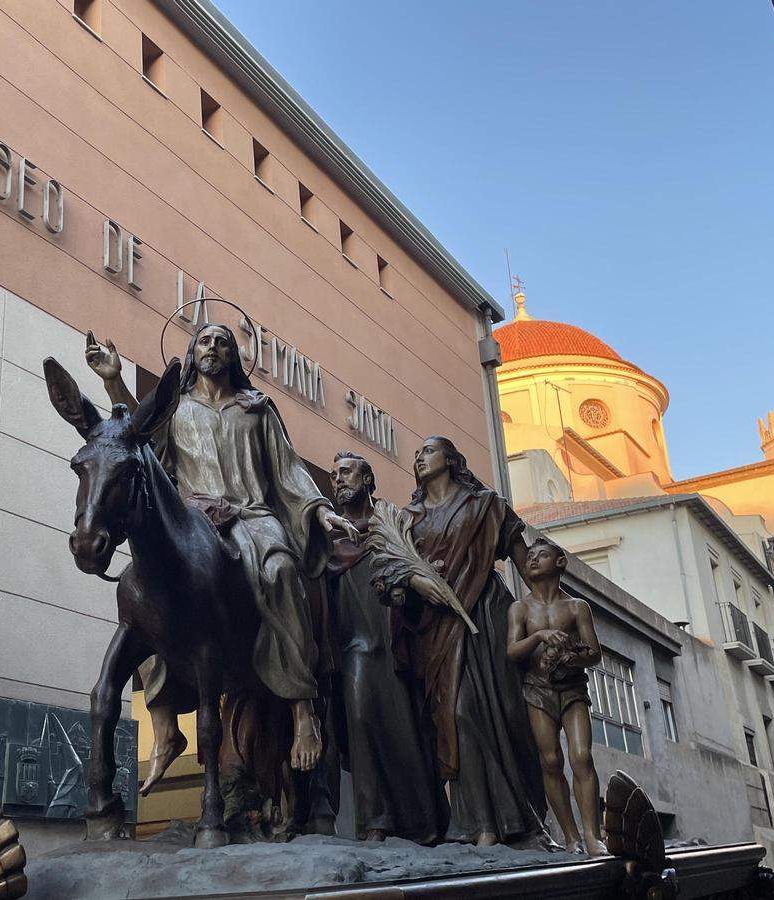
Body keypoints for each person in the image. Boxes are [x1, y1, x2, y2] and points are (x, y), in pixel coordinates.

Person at [86, 324, 359, 792]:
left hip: (253, 516)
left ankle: (301, 709)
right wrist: (114, 381)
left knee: (281, 570)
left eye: (222, 341)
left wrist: (319, 513)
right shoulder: (178, 408)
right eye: (204, 341)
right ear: (193, 352)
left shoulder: (257, 409)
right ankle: (165, 723)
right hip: (195, 518)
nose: (212, 347)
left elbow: (289, 470)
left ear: (234, 355)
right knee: (150, 587)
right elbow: (140, 441)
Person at [371, 436, 548, 846]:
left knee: (505, 712)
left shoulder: (485, 504)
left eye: (428, 451)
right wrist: (415, 579)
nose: (419, 457)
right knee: (458, 712)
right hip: (437, 628)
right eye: (416, 454)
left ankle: (524, 818)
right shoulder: (408, 518)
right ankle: (477, 823)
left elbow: (525, 562)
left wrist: (550, 609)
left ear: (451, 460)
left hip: (486, 616)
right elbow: (385, 575)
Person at [325, 450, 446, 843]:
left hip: (396, 643)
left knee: (409, 732)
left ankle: (424, 823)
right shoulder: (329, 538)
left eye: (346, 472)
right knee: (359, 719)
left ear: (368, 479)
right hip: (352, 646)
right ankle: (374, 822)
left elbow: (417, 571)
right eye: (334, 475)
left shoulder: (393, 524)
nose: (338, 479)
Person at [507, 536, 607, 855]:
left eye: (543, 555)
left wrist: (570, 658)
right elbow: (512, 651)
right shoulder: (520, 608)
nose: (533, 559)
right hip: (537, 691)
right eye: (530, 556)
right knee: (550, 760)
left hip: (573, 690)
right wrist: (539, 636)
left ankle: (593, 835)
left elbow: (594, 653)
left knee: (581, 756)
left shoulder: (577, 607)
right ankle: (571, 836)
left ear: (560, 563)